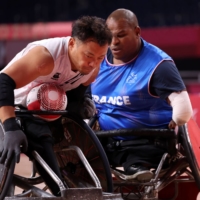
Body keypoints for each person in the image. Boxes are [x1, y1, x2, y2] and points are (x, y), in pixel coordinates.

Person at [0, 15, 112, 196]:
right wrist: (10, 126)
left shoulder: (92, 69)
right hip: (12, 106)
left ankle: (82, 187)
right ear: (72, 44)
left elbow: (74, 99)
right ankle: (58, 191)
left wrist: (80, 105)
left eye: (100, 57)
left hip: (44, 110)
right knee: (40, 136)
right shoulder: (45, 58)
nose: (93, 63)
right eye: (89, 55)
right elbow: (3, 81)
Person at [90, 8, 193, 182]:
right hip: (104, 141)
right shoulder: (98, 58)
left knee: (136, 164)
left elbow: (183, 109)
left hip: (147, 143)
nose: (113, 42)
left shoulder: (159, 65)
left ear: (137, 32)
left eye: (121, 35)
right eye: (109, 36)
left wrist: (179, 118)